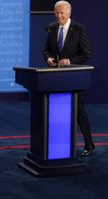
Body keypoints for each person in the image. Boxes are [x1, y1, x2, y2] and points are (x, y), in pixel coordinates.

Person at [42, 1, 95, 157]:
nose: (58, 16)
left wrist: (69, 61)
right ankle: (58, 146)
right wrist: (49, 59)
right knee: (56, 112)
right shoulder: (51, 28)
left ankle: (89, 144)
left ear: (69, 13)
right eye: (56, 13)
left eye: (62, 13)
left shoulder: (79, 29)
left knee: (79, 111)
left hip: (74, 78)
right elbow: (46, 49)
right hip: (56, 78)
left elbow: (87, 54)